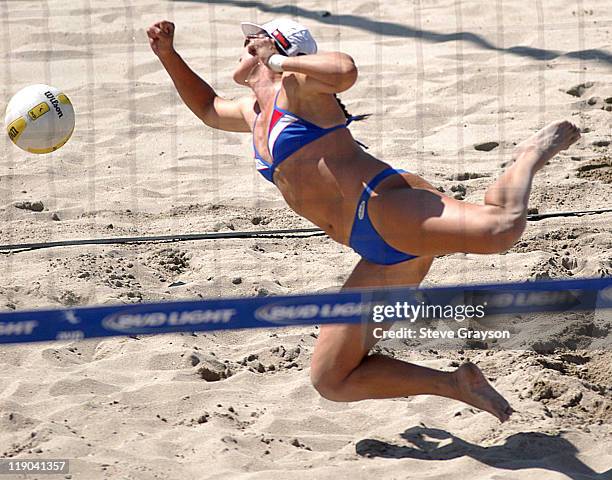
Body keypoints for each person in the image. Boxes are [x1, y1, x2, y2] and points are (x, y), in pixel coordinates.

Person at [147, 18, 581, 422]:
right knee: (332, 379)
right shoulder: (253, 112)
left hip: (383, 205)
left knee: (501, 229)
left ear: (277, 49)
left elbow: (345, 70)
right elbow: (206, 107)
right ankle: (455, 383)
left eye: (254, 37)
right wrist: (168, 53)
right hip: (375, 249)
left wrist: (276, 60)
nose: (244, 43)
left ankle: (527, 157)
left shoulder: (297, 90)